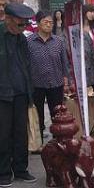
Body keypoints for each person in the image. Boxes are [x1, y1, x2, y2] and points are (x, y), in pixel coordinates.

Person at [0, 3, 36, 187]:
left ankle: (21, 169)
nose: (22, 28)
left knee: (21, 132)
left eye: (24, 24)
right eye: (19, 24)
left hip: (21, 91)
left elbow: (27, 65)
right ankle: (4, 172)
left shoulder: (22, 39)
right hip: (3, 94)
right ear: (7, 19)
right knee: (3, 134)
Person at [28, 10, 71, 142]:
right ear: (38, 24)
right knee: (38, 114)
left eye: (51, 22)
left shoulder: (58, 41)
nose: (48, 25)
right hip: (36, 84)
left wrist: (66, 81)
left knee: (57, 114)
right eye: (45, 22)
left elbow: (65, 63)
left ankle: (58, 140)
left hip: (56, 83)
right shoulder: (29, 41)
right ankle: (39, 141)